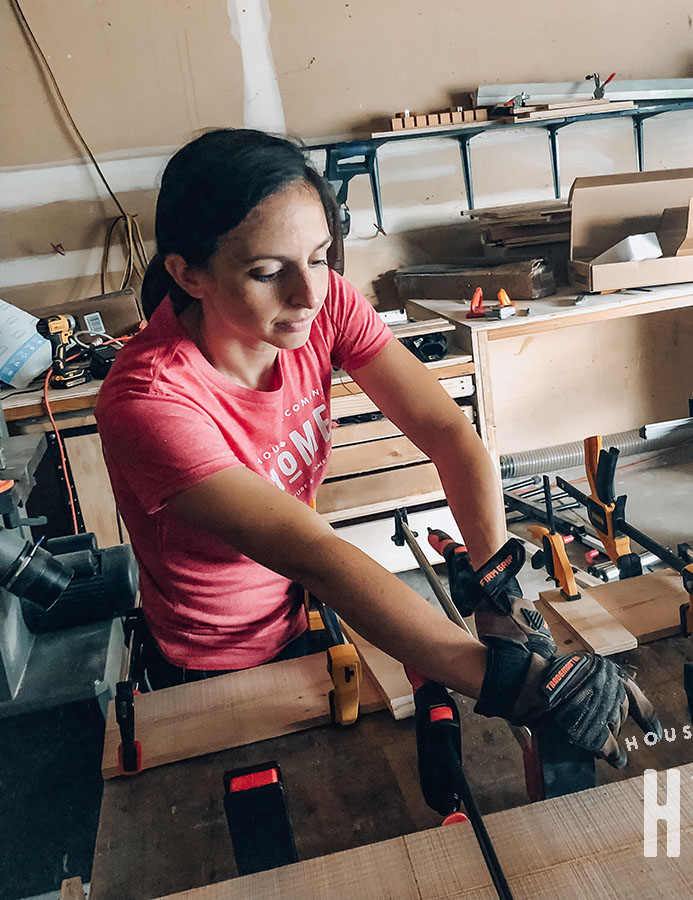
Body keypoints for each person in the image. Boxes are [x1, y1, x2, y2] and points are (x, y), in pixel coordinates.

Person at [95, 128, 660, 766]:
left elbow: (449, 434)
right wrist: (510, 684)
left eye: (318, 256)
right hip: (214, 662)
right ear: (187, 273)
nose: (309, 294)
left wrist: (497, 591)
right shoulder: (149, 402)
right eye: (266, 272)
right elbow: (316, 553)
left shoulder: (323, 302)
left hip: (301, 611)